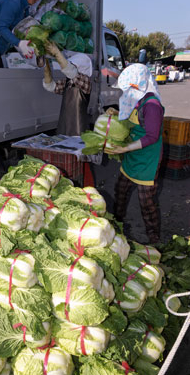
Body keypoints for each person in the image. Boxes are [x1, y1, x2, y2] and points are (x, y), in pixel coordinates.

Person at [104, 63, 164, 245]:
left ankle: (155, 240)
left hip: (147, 159)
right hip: (132, 156)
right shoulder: (138, 97)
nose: (127, 91)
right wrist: (116, 112)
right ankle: (117, 228)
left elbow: (152, 136)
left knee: (146, 202)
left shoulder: (152, 105)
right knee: (120, 191)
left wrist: (124, 149)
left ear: (140, 84)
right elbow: (130, 117)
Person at [42, 42, 93, 135]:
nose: (70, 67)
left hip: (79, 131)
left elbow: (70, 71)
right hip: (64, 128)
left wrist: (57, 53)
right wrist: (45, 65)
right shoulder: (68, 82)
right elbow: (50, 86)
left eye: (74, 66)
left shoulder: (86, 81)